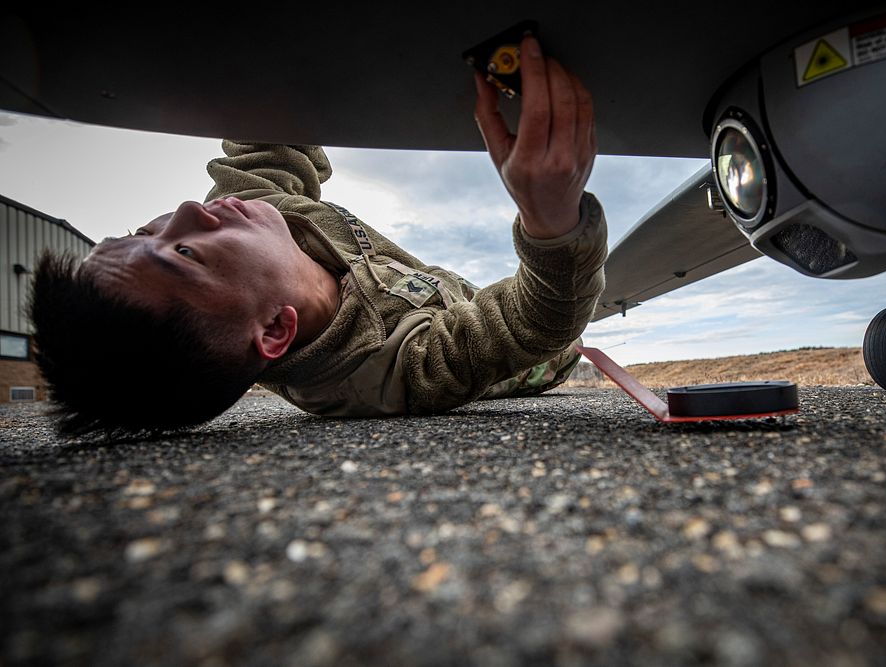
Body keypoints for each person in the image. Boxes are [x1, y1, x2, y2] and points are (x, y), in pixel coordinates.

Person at [29, 37, 607, 436]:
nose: (186, 210)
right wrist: (551, 221)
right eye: (183, 254)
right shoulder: (392, 373)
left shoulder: (243, 220)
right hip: (540, 358)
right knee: (551, 340)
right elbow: (530, 324)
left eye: (142, 232)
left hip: (461, 289)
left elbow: (270, 136)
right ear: (278, 328)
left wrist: (276, 50)